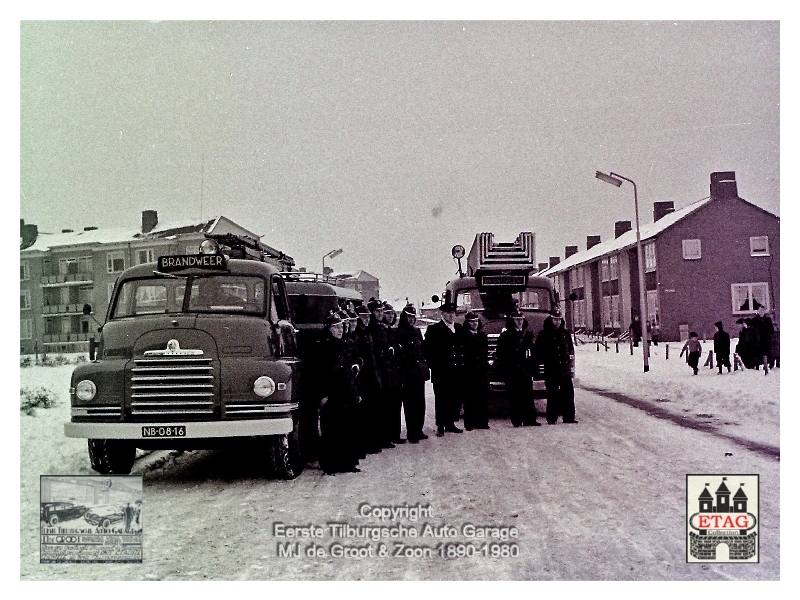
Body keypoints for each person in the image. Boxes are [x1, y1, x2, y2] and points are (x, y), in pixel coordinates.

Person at [314, 312, 362, 475]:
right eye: (336, 327)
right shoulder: (322, 347)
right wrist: (323, 394)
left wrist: (356, 392)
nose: (340, 330)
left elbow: (351, 371)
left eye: (341, 327)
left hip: (346, 392)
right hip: (332, 394)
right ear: (329, 328)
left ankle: (348, 462)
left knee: (348, 429)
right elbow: (319, 373)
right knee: (331, 431)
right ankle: (331, 465)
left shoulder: (345, 344)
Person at [423, 299, 463, 437]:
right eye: (448, 313)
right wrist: (434, 366)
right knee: (441, 399)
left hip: (456, 371)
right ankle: (441, 425)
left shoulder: (458, 328)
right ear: (443, 314)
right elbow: (428, 350)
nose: (451, 316)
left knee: (454, 398)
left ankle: (451, 423)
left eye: (453, 313)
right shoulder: (434, 330)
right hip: (441, 372)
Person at [496, 308, 539, 427]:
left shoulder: (527, 335)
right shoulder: (505, 336)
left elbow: (532, 352)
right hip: (512, 370)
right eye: (517, 319)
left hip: (525, 369)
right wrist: (505, 368)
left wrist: (532, 367)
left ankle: (530, 419)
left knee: (528, 395)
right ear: (512, 320)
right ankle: (516, 420)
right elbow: (500, 354)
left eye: (521, 319)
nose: (519, 322)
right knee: (514, 396)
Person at [535, 307, 576, 424]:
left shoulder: (565, 333)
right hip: (551, 369)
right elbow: (539, 351)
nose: (557, 322)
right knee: (552, 394)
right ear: (551, 319)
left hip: (564, 369)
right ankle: (552, 418)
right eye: (555, 320)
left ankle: (569, 417)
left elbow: (570, 349)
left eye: (559, 320)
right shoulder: (544, 334)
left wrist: (569, 363)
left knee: (568, 394)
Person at [396, 303, 429, 443]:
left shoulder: (416, 331)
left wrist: (424, 365)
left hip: (418, 371)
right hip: (407, 372)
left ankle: (418, 429)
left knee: (420, 403)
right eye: (409, 317)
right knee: (410, 404)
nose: (411, 320)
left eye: (413, 317)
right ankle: (412, 432)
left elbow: (422, 349)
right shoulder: (399, 332)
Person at [457, 311, 490, 430]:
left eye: (476, 321)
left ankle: (482, 422)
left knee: (482, 397)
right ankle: (470, 423)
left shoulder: (482, 336)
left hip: (481, 370)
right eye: (471, 322)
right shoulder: (463, 336)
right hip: (469, 370)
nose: (474, 324)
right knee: (470, 398)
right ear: (467, 323)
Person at [382, 302, 405, 445]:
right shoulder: (381, 330)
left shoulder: (394, 330)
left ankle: (395, 434)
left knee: (396, 406)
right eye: (387, 313)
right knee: (387, 407)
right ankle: (387, 435)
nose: (390, 316)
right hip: (386, 373)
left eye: (392, 313)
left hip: (396, 373)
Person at [751, 305, 774, 375]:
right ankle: (757, 367)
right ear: (758, 311)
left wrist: (769, 335)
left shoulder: (768, 320)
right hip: (758, 340)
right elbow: (752, 330)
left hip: (766, 339)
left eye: (763, 310)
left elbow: (771, 330)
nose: (761, 312)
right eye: (760, 310)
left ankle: (767, 366)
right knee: (758, 354)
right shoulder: (754, 320)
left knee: (766, 353)